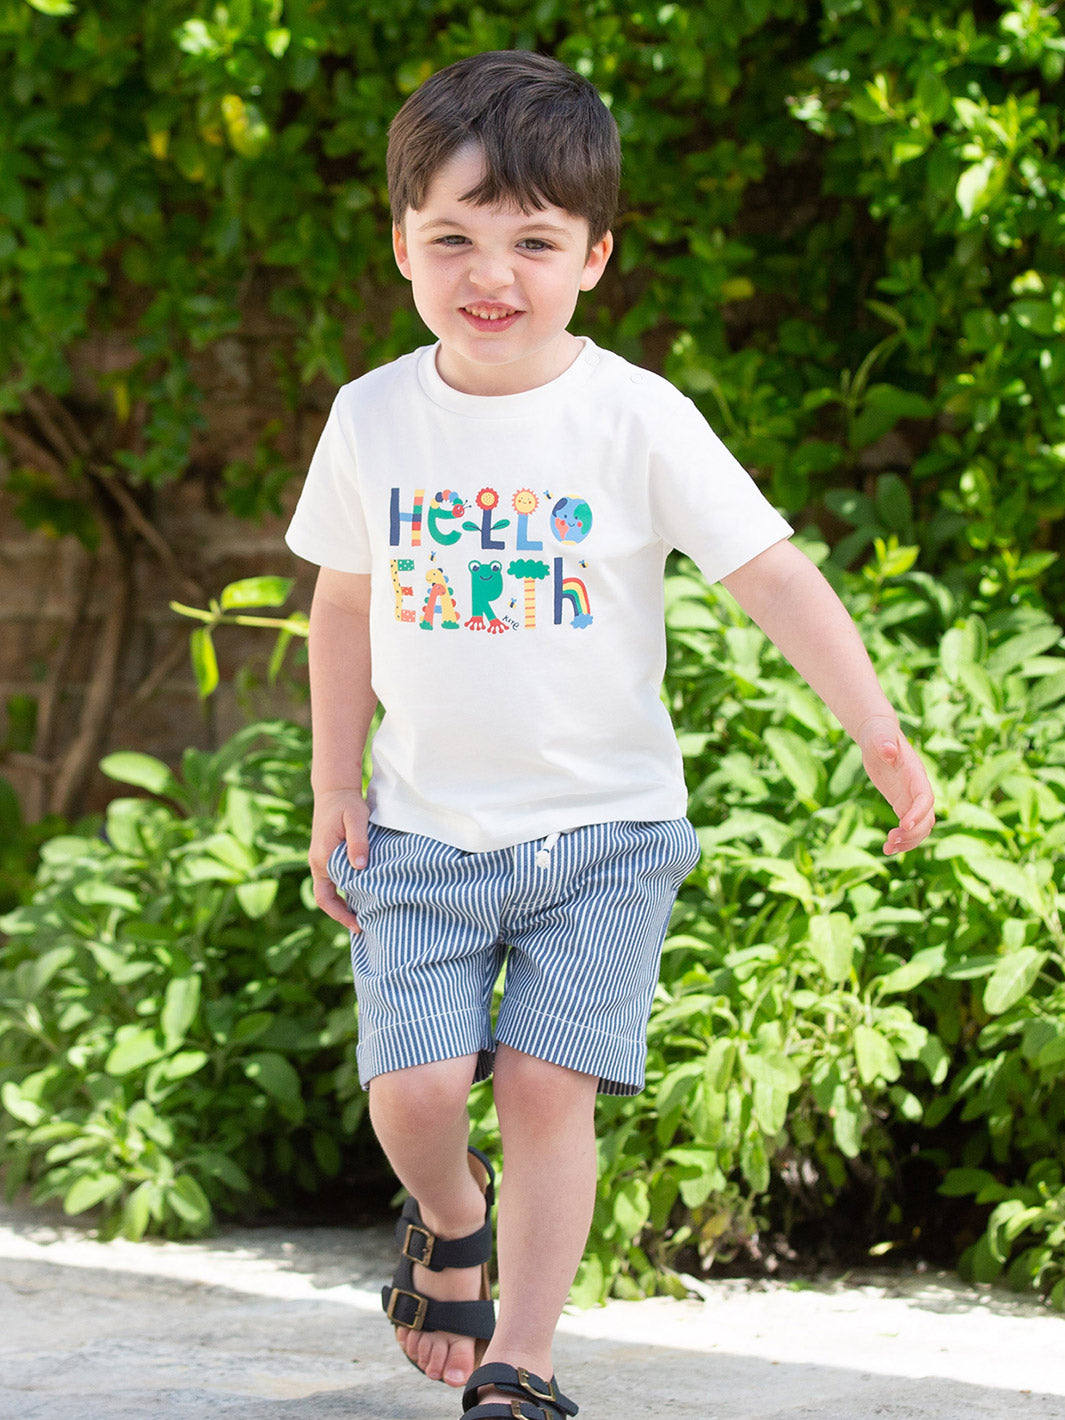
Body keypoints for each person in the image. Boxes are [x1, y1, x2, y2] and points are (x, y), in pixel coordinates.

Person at [284, 49, 935, 1420]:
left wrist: (875, 731)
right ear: (400, 242)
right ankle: (448, 1216)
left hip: (606, 836)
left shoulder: (634, 415)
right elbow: (343, 601)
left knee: (546, 1086)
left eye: (533, 241)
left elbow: (769, 573)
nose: (491, 275)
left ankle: (521, 1357)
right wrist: (334, 781)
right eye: (452, 238)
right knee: (413, 1094)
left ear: (594, 256)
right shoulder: (374, 416)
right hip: (423, 830)